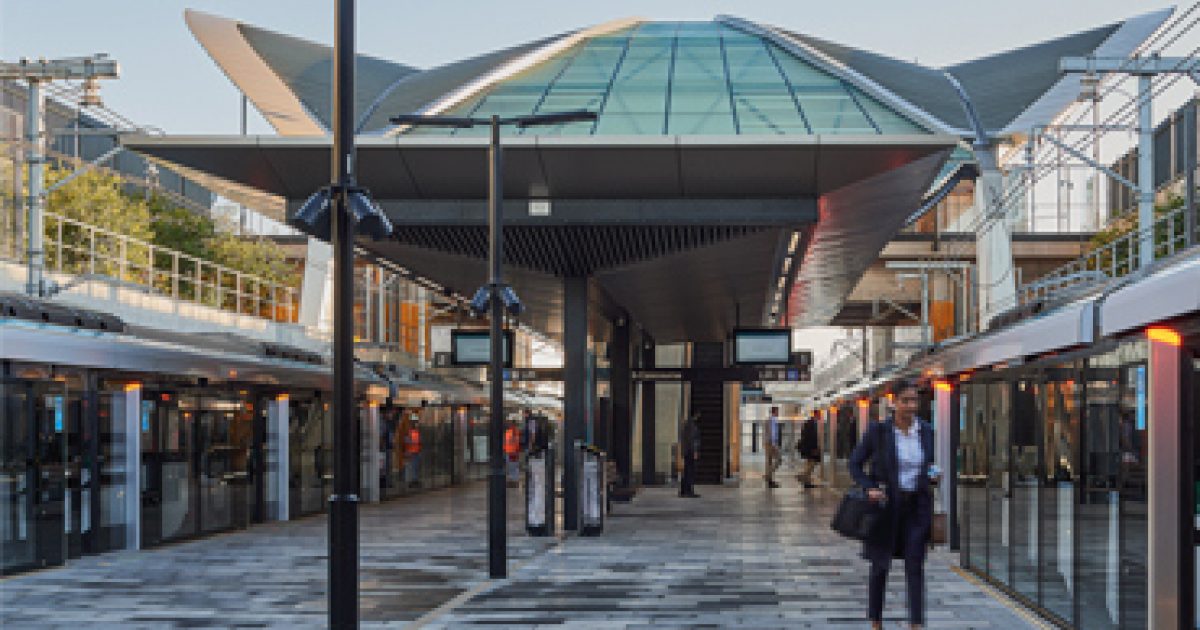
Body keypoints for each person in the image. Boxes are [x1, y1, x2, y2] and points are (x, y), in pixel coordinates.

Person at [848, 379, 936, 630]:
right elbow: (855, 464)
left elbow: (928, 464)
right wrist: (870, 487)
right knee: (880, 565)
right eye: (905, 401)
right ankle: (876, 620)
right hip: (886, 507)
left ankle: (916, 623)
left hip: (916, 507)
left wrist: (932, 475)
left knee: (915, 563)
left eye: (914, 400)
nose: (911, 406)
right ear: (893, 402)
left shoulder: (926, 430)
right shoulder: (878, 432)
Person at [796, 412, 821, 488]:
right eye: (819, 414)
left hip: (808, 447)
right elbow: (810, 437)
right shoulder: (811, 423)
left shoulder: (809, 423)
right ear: (816, 414)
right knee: (812, 463)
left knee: (810, 463)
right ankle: (803, 476)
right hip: (810, 448)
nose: (820, 416)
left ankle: (807, 482)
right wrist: (814, 448)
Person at [679, 412, 701, 498]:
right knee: (690, 472)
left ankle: (684, 490)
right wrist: (695, 451)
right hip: (690, 452)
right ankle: (688, 491)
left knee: (686, 471)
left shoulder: (686, 426)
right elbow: (693, 440)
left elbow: (684, 440)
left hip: (686, 451)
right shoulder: (693, 427)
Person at [764, 406, 781, 488]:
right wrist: (774, 444)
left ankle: (769, 480)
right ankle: (768, 475)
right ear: (775, 411)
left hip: (768, 443)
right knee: (779, 460)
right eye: (778, 411)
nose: (778, 413)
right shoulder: (773, 420)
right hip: (771, 443)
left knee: (769, 462)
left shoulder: (769, 419)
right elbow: (772, 432)